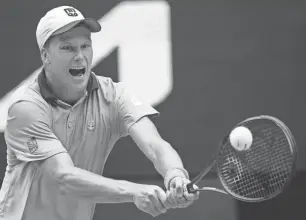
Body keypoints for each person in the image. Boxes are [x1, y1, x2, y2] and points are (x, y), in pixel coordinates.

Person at [0, 6, 199, 220]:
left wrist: (175, 174)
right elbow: (64, 176)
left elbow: (154, 144)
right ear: (45, 55)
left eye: (85, 45)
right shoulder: (25, 109)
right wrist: (134, 192)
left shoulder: (114, 96)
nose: (80, 56)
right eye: (67, 48)